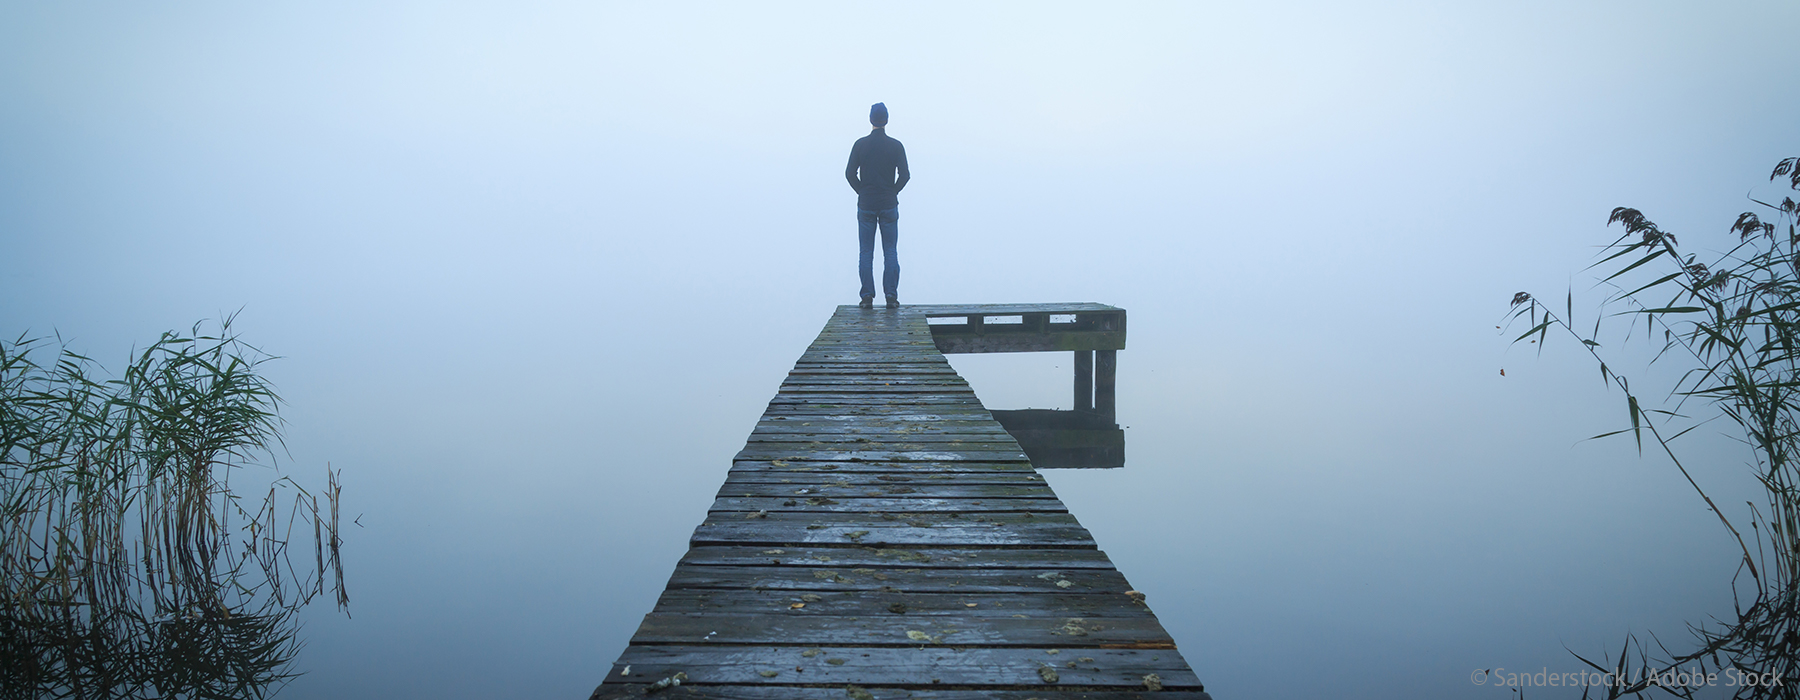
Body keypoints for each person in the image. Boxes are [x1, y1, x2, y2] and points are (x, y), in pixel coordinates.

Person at [844, 102, 910, 309]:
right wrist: (893, 191)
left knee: (866, 252)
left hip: (866, 205)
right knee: (890, 251)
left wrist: (862, 191)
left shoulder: (860, 144)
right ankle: (891, 296)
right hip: (889, 204)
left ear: (871, 119)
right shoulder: (896, 146)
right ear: (886, 120)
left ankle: (867, 297)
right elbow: (905, 175)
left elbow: (849, 174)